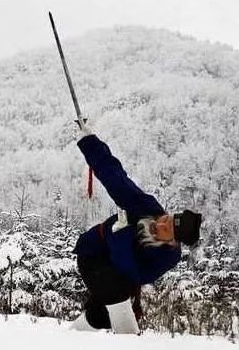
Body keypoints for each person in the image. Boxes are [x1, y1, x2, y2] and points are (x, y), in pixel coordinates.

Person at [70, 128, 202, 334]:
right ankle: (130, 341)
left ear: (172, 242)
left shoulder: (168, 257)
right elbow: (116, 179)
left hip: (119, 269)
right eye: (166, 218)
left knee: (103, 315)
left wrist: (121, 237)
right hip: (92, 254)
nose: (160, 224)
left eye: (166, 229)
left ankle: (71, 337)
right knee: (116, 296)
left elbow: (137, 274)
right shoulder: (148, 209)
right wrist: (90, 143)